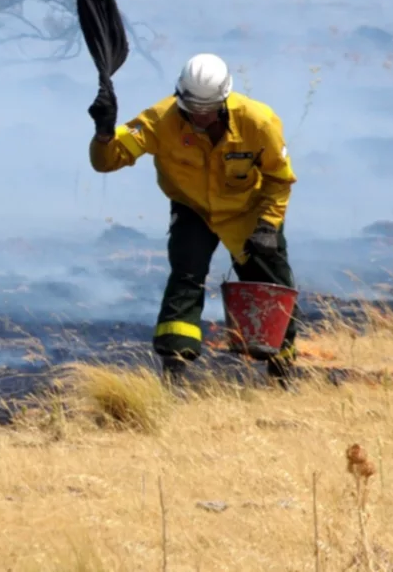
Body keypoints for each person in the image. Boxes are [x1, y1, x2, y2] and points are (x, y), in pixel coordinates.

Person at [87, 53, 301, 384]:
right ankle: (174, 372)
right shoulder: (160, 119)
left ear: (224, 100)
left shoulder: (258, 122)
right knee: (186, 277)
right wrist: (104, 134)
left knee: (272, 285)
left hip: (249, 211)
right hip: (193, 209)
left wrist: (268, 226)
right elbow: (108, 161)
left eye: (207, 110)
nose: (199, 117)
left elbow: (279, 179)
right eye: (192, 110)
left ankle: (281, 373)